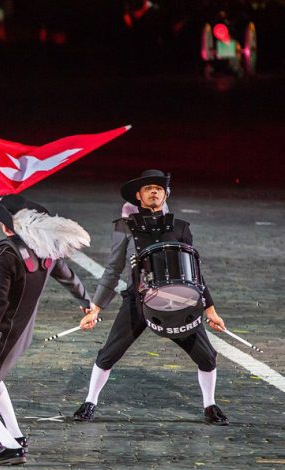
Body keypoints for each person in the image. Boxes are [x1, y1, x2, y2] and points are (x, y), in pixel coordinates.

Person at [73, 170, 229, 425]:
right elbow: (113, 268)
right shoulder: (124, 226)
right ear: (138, 196)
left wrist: (210, 310)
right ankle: (90, 401)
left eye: (159, 188)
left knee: (207, 357)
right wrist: (96, 309)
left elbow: (195, 273)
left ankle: (210, 405)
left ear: (166, 194)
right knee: (108, 354)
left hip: (178, 302)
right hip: (137, 301)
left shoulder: (181, 228)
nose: (154, 191)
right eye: (148, 188)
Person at [0, 195, 92, 465]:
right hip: (22, 331)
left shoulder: (6, 251)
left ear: (10, 227)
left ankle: (11, 448)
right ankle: (16, 437)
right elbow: (67, 275)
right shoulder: (45, 249)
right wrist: (86, 301)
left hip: (2, 333)